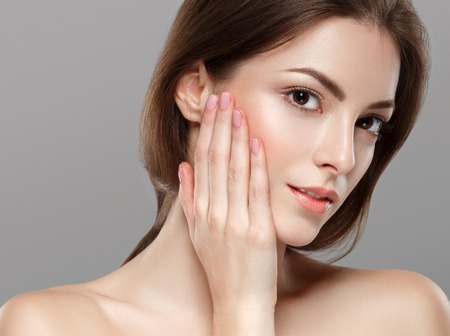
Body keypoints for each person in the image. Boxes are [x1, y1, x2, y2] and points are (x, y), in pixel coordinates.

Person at [1, 0, 449, 334]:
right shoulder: (50, 327)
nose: (344, 157)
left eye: (368, 123)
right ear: (196, 89)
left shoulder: (403, 316)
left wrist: (245, 309)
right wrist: (242, 308)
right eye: (303, 97)